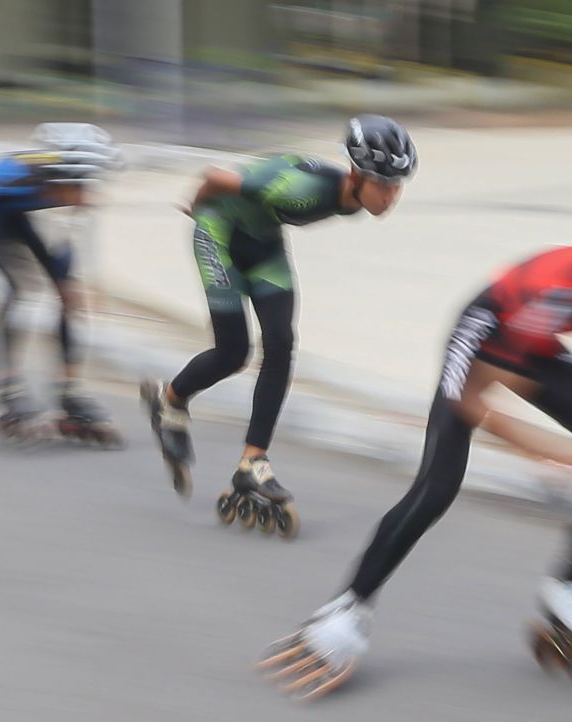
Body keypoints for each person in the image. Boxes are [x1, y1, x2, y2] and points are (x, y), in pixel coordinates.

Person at [259, 195, 572, 699]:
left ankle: (570, 594)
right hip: (479, 340)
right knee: (437, 488)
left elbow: (533, 349)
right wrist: (565, 458)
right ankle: (346, 611)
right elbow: (475, 402)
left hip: (530, 343)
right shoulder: (561, 292)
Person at [141, 115, 417, 521]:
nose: (390, 196)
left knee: (282, 345)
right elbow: (216, 177)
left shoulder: (354, 202)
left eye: (397, 186)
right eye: (383, 184)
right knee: (234, 352)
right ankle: (170, 401)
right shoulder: (303, 191)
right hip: (219, 233)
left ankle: (253, 461)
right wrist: (196, 209)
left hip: (263, 244)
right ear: (357, 174)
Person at [0, 123, 123, 444]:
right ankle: (7, 387)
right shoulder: (2, 179)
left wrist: (69, 283)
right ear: (55, 176)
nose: (84, 194)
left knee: (69, 296)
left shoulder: (59, 188)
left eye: (87, 184)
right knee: (19, 291)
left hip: (35, 215)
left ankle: (68, 391)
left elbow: (63, 244)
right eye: (79, 184)